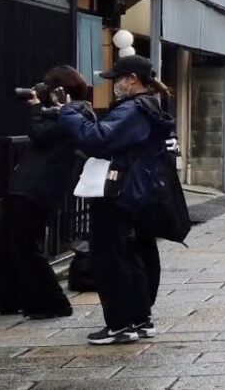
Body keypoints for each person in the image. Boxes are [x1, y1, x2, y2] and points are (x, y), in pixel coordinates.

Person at [55, 55, 175, 345]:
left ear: (132, 79)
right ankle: (139, 318)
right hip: (135, 191)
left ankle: (120, 323)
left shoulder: (133, 110)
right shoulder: (149, 107)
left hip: (116, 191)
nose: (114, 85)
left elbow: (98, 139)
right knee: (131, 256)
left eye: (117, 79)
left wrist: (69, 112)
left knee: (110, 259)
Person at [0, 66, 88, 319]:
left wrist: (36, 110)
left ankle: (52, 303)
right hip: (28, 185)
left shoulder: (75, 114)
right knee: (5, 242)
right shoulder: (61, 113)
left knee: (24, 245)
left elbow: (40, 135)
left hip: (38, 188)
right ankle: (11, 299)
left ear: (60, 91)